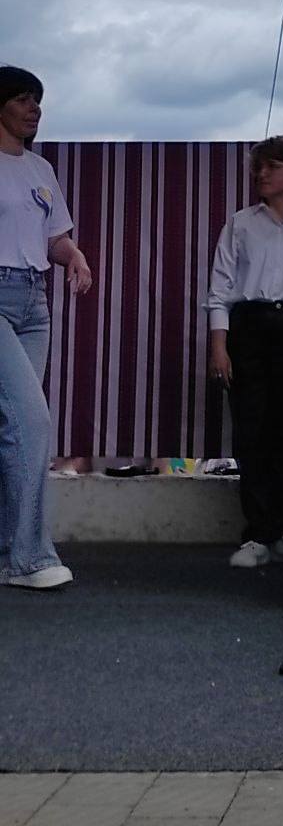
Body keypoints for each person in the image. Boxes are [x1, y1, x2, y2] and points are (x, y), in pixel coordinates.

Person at [206, 135, 283, 569]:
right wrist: (219, 345)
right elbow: (220, 288)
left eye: (272, 166)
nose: (262, 174)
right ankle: (257, 532)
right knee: (251, 427)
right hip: (250, 325)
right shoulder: (241, 223)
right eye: (258, 167)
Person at [0, 66, 92, 591]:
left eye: (37, 100)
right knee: (30, 422)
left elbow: (54, 237)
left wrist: (73, 255)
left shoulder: (40, 169)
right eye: (22, 98)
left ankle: (7, 547)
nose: (34, 108)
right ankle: (29, 558)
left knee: (12, 428)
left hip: (34, 302)